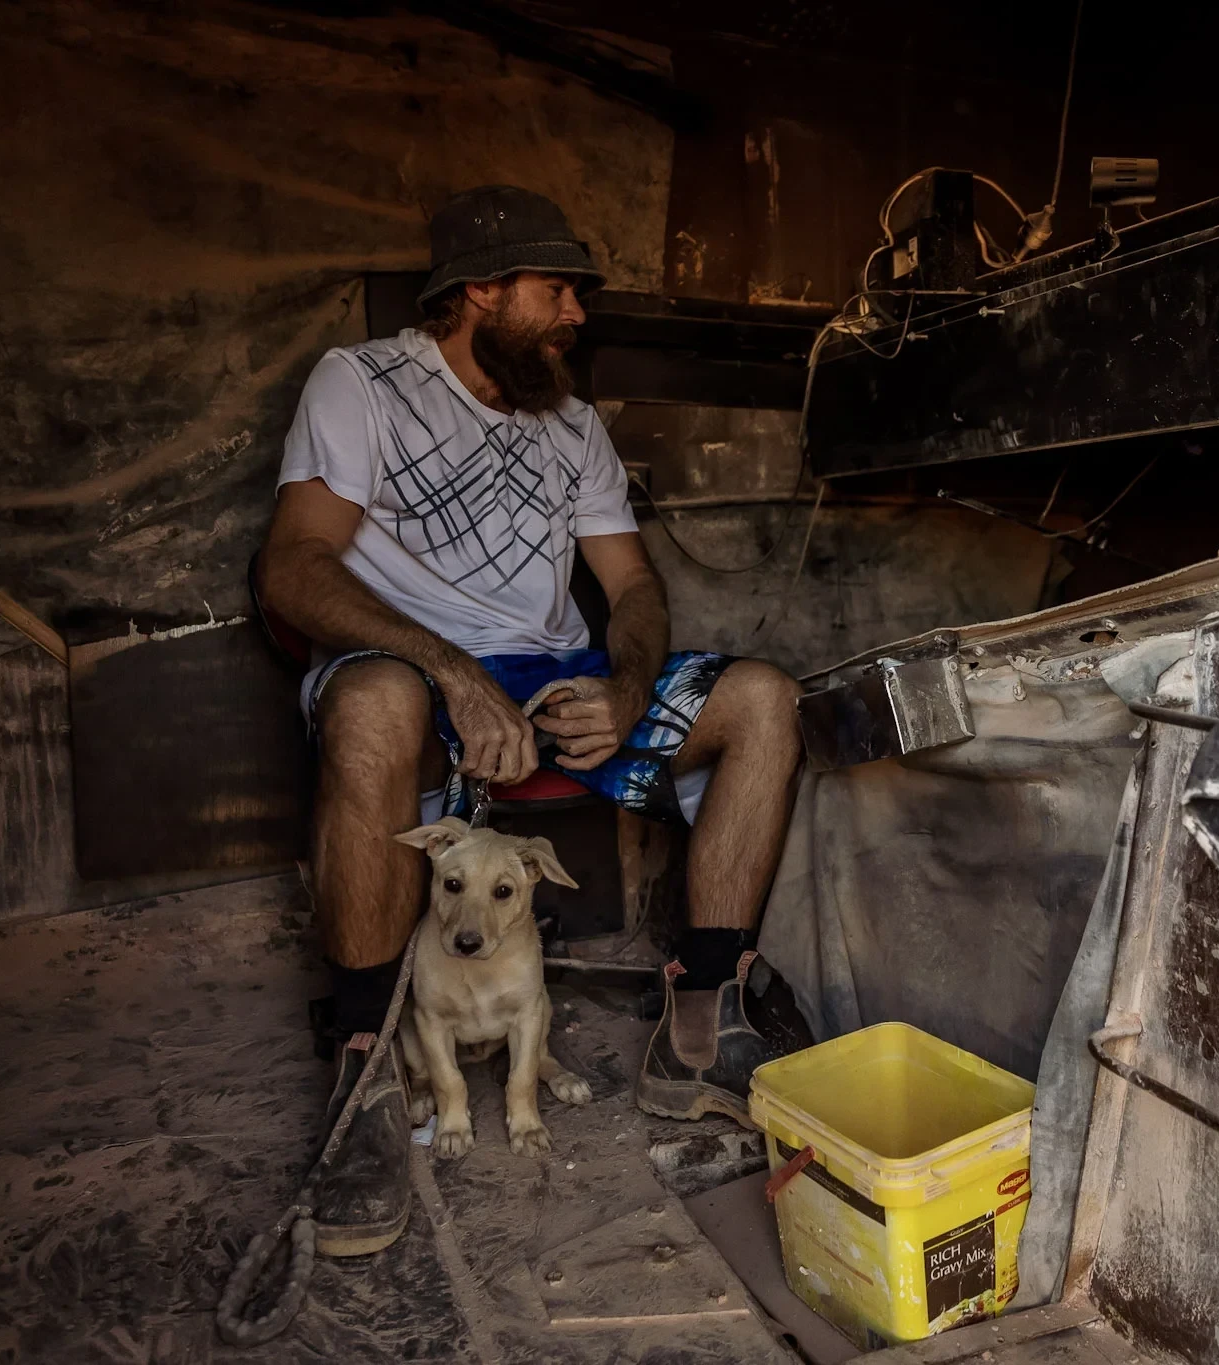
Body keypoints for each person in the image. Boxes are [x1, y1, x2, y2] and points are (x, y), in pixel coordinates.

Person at [256, 185, 807, 1257]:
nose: (575, 316)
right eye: (556, 291)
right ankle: (366, 1072)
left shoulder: (571, 423)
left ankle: (698, 1026)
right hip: (410, 670)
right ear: (481, 292)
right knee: (371, 703)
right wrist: (452, 671)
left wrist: (628, 689)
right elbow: (291, 566)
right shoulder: (359, 384)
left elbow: (633, 586)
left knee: (762, 698)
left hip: (555, 682)